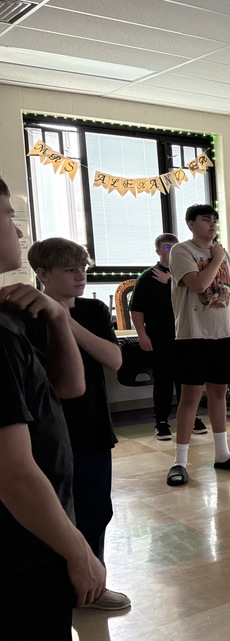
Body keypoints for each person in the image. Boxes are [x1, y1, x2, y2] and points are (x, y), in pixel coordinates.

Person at [0, 176, 106, 641]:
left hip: (32, 533)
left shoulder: (16, 316)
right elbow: (14, 473)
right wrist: (78, 551)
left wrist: (60, 319)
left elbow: (69, 387)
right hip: (20, 544)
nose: (17, 230)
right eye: (6, 215)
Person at [26, 238, 130, 610]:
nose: (80, 276)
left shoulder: (93, 310)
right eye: (69, 270)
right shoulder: (26, 316)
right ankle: (58, 587)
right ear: (43, 274)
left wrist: (66, 320)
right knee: (53, 513)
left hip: (92, 426)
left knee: (95, 509)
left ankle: (94, 586)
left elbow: (114, 360)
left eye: (82, 269)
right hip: (47, 433)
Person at [165, 204, 230, 486]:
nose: (212, 224)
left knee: (219, 393)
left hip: (223, 335)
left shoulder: (223, 254)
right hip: (193, 336)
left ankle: (223, 454)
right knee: (190, 396)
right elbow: (199, 285)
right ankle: (179, 461)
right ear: (191, 224)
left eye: (215, 220)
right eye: (206, 220)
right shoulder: (182, 251)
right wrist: (217, 258)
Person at [129, 234, 207, 441]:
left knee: (188, 380)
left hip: (187, 336)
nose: (170, 251)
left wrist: (171, 280)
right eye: (166, 247)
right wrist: (142, 335)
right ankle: (161, 421)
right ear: (158, 251)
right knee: (163, 380)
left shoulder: (188, 274)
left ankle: (192, 418)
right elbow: (137, 310)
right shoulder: (147, 277)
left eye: (174, 247)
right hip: (160, 338)